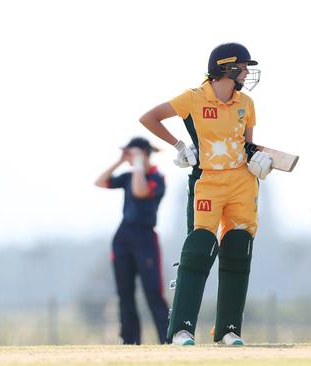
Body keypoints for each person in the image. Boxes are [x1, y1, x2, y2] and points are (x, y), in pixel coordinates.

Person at [138, 42, 272, 346]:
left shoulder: (246, 103)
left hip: (242, 183)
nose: (248, 73)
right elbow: (149, 118)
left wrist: (260, 161)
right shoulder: (194, 98)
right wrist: (179, 146)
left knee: (239, 248)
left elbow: (248, 145)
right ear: (227, 68)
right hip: (207, 181)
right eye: (243, 66)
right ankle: (181, 329)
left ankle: (228, 330)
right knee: (199, 248)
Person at [94, 137, 170, 345]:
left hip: (145, 238)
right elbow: (100, 181)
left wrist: (138, 163)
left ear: (144, 153)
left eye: (134, 153)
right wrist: (120, 161)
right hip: (123, 238)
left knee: (153, 291)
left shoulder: (157, 178)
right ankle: (129, 340)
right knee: (124, 292)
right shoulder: (128, 176)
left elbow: (140, 191)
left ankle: (167, 339)